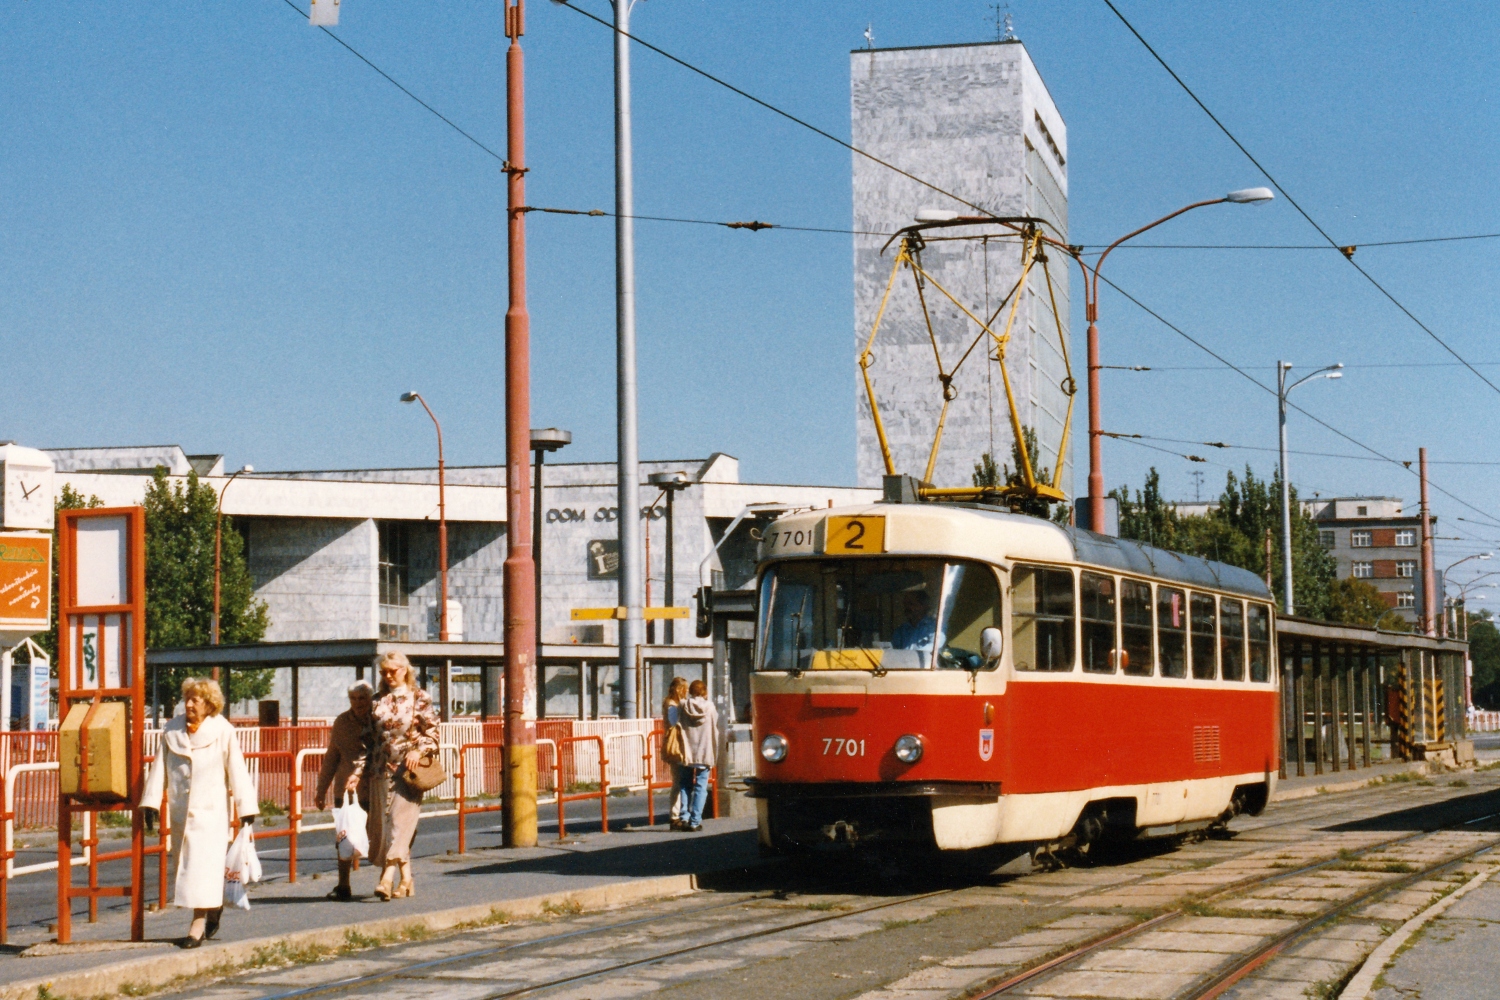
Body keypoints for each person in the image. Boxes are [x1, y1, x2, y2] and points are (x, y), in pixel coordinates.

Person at [140, 677, 257, 948]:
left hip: (211, 814)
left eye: (196, 699)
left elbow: (237, 769)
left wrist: (246, 808)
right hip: (181, 813)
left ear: (210, 704)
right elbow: (159, 768)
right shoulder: (172, 730)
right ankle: (212, 907)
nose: (189, 704)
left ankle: (197, 925)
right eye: (187, 698)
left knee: (201, 870)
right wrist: (151, 801)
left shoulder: (223, 730)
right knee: (188, 867)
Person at [368, 652, 439, 900]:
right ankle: (407, 879)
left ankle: (386, 880)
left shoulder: (420, 698)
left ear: (405, 671)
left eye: (393, 671)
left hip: (407, 772)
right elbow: (370, 738)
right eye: (384, 672)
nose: (388, 676)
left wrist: (419, 751)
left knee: (399, 824)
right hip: (379, 770)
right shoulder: (376, 700)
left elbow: (432, 733)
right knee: (384, 827)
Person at [314, 680, 374, 900]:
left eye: (362, 698)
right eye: (353, 698)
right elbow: (332, 757)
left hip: (373, 787)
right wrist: (321, 790)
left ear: (370, 699)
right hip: (345, 791)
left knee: (377, 836)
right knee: (344, 838)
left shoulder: (378, 720)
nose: (358, 703)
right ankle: (343, 884)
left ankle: (389, 879)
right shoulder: (341, 722)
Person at [676, 679, 720, 833]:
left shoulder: (682, 705)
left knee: (685, 785)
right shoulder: (710, 707)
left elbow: (675, 721)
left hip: (687, 752)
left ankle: (684, 817)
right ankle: (695, 822)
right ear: (704, 692)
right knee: (701, 787)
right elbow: (715, 724)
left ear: (691, 691)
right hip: (704, 751)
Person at [661, 677, 689, 831]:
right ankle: (675, 816)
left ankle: (678, 814)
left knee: (679, 781)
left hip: (678, 746)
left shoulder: (671, 704)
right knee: (678, 782)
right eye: (685, 689)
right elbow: (674, 723)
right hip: (676, 746)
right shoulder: (672, 705)